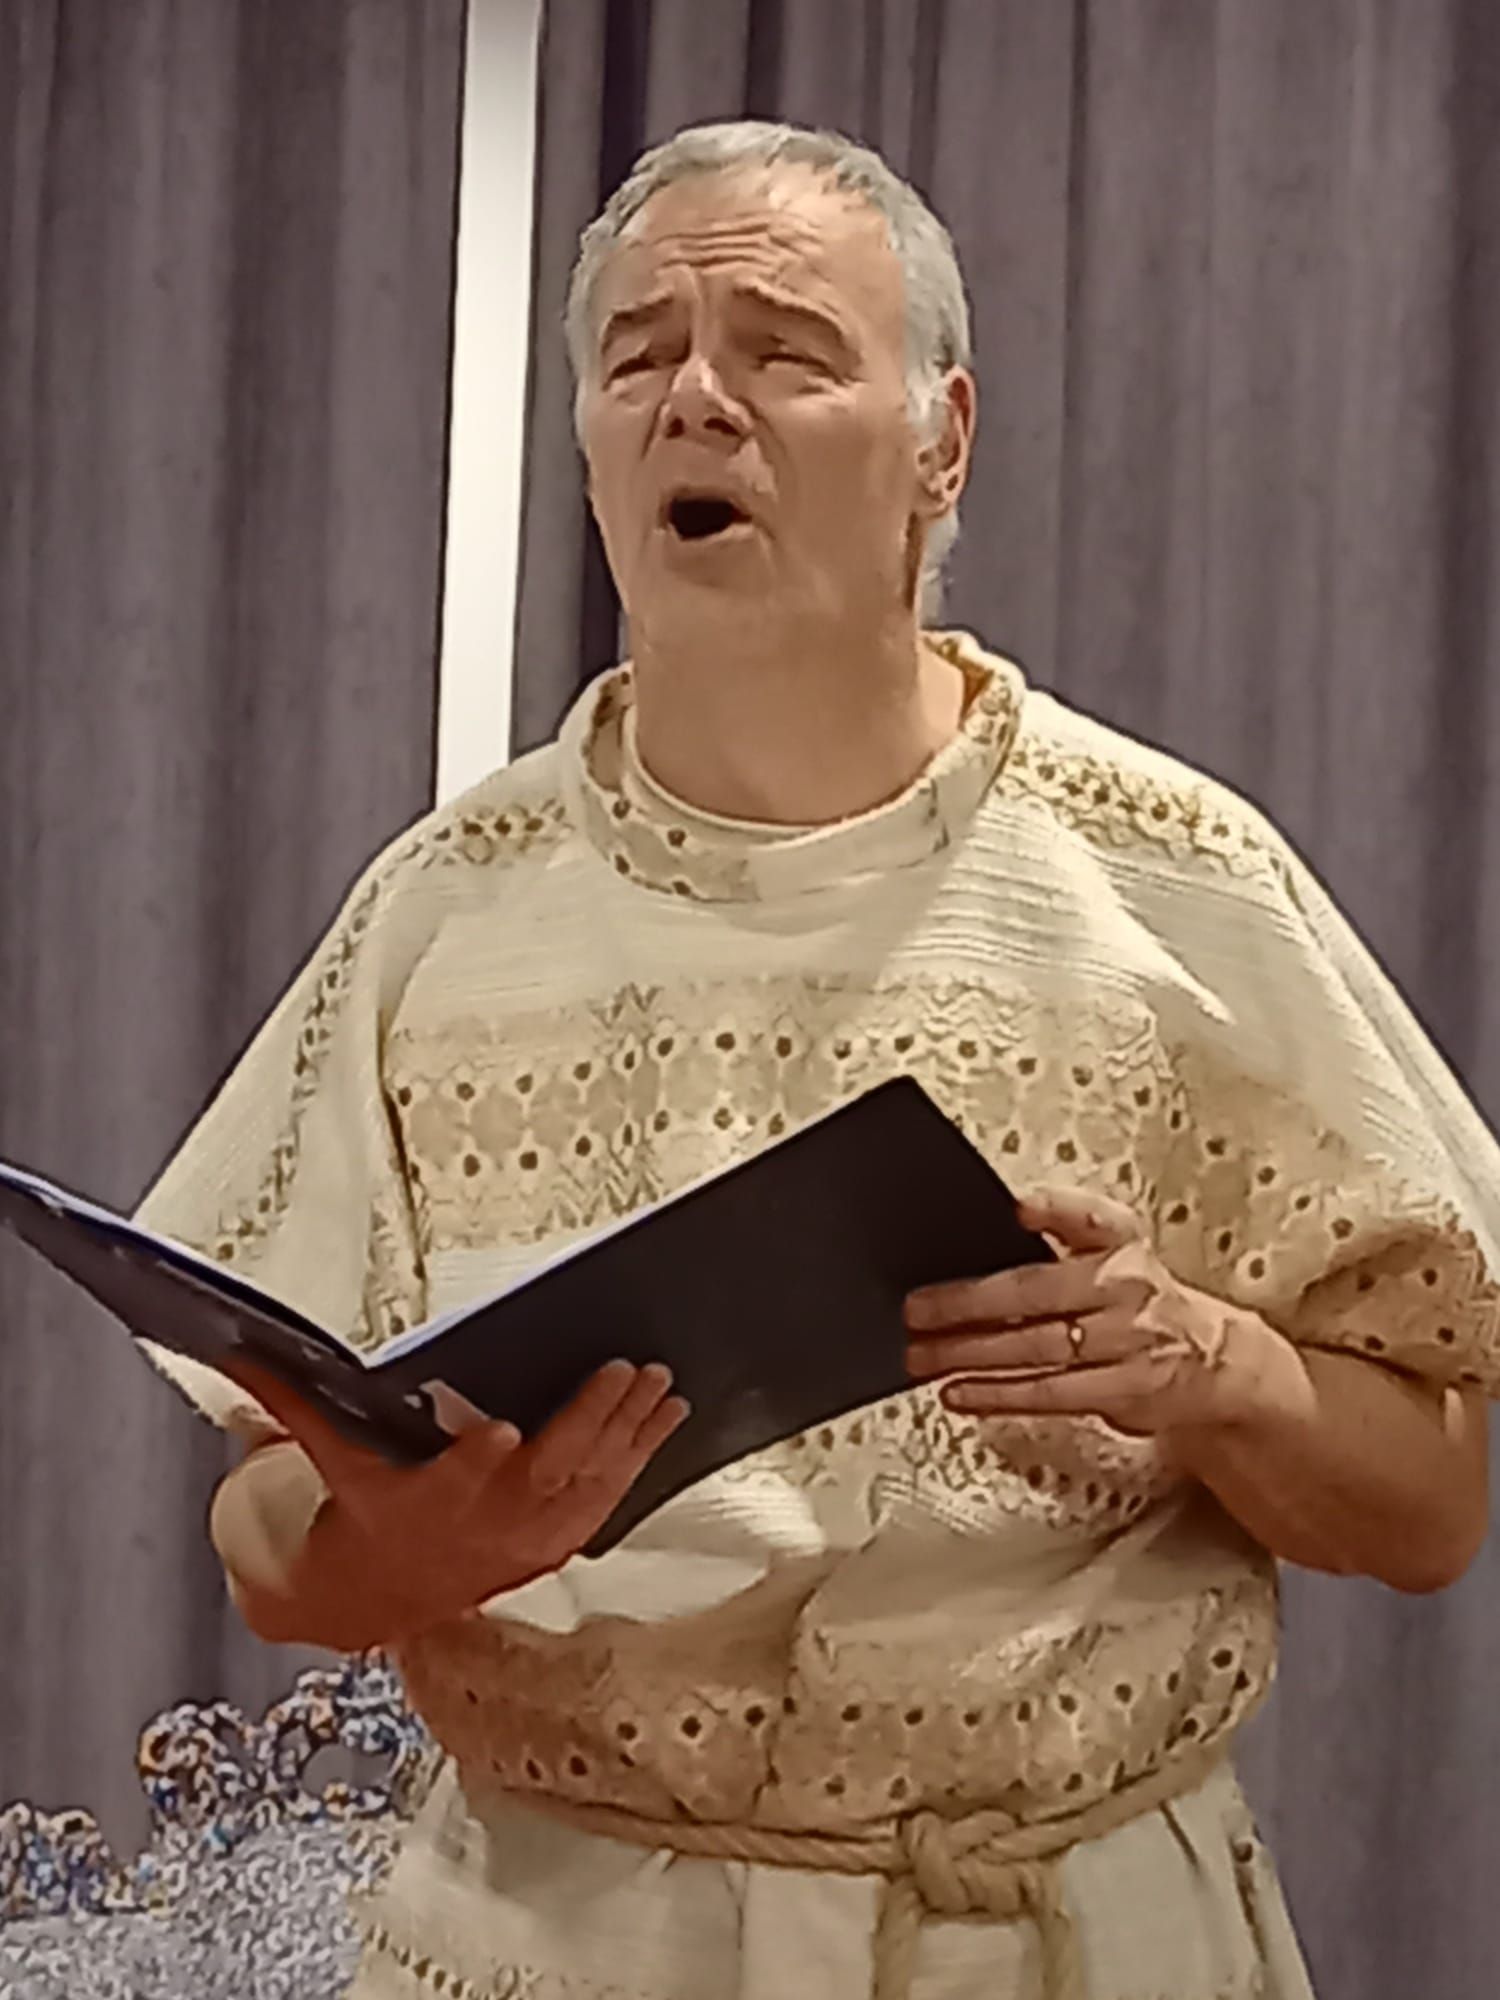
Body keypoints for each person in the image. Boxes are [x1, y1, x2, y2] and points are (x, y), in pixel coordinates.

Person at [138, 121, 1499, 2000]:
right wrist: (418, 1539)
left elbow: (1434, 1507)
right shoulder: (441, 917)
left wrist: (1213, 1367)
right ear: (591, 449)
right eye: (639, 357)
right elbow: (268, 1553)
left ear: (942, 441)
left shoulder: (1179, 882)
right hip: (550, 1930)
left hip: (1069, 1936)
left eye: (782, 351)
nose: (696, 399)